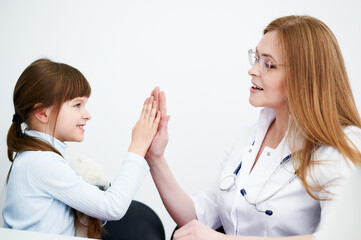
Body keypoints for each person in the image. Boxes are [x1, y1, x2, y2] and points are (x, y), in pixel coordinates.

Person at [145, 15, 361, 240]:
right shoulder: (249, 137)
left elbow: (339, 236)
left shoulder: (342, 147)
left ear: (303, 76)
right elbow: (199, 216)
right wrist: (156, 157)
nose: (253, 70)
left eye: (268, 64)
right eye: (256, 58)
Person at [2, 58, 161, 237]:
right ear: (42, 113)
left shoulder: (35, 159)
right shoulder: (40, 162)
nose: (87, 115)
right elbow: (112, 207)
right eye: (77, 105)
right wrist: (138, 146)